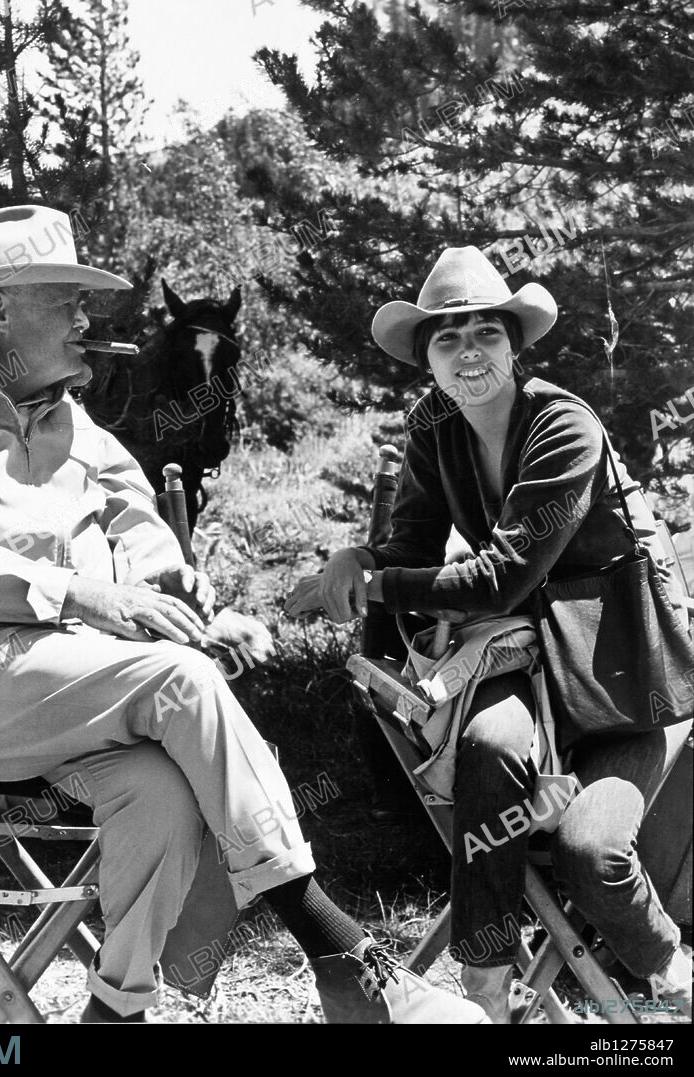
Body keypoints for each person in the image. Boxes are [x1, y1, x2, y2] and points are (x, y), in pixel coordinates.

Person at [0, 205, 488, 1025]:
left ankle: (116, 1008)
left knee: (161, 788)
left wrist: (187, 597)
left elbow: (136, 523)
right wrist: (86, 595)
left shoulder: (70, 419)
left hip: (68, 687)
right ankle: (341, 954)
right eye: (66, 298)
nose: (87, 318)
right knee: (182, 683)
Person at [286, 245, 693, 1022]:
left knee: (588, 852)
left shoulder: (563, 425)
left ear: (514, 344)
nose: (468, 352)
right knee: (491, 747)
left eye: (485, 334)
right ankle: (483, 985)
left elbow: (502, 575)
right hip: (525, 662)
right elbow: (411, 544)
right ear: (426, 359)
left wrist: (373, 584)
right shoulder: (433, 425)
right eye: (447, 338)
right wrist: (360, 554)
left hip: (615, 679)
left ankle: (666, 958)